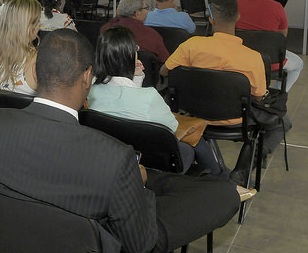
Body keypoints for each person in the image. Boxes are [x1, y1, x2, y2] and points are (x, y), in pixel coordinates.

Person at [0, 29, 240, 253]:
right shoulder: (112, 159)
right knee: (222, 194)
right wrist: (138, 185)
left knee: (156, 181)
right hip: (93, 236)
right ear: (88, 77)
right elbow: (140, 244)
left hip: (10, 240)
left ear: (36, 72)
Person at [161, 0, 290, 186]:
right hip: (237, 120)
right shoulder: (254, 58)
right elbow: (258, 94)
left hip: (193, 115)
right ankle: (242, 170)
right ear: (238, 17)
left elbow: (165, 71)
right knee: (282, 121)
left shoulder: (190, 46)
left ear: (211, 19)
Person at [88, 26, 238, 181]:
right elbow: (171, 128)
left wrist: (135, 78)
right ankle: (224, 181)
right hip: (152, 164)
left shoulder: (90, 90)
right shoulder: (149, 97)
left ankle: (224, 180)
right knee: (190, 145)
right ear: (130, 57)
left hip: (113, 156)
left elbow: (125, 98)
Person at [235, 0, 303, 91]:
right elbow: (282, 38)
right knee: (298, 64)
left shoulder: (231, 7)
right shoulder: (276, 6)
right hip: (270, 61)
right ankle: (275, 95)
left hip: (238, 60)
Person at [101, 0, 170, 64]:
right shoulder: (152, 35)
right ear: (137, 14)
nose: (147, 11)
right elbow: (165, 61)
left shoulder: (106, 30)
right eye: (146, 8)